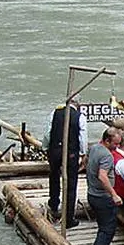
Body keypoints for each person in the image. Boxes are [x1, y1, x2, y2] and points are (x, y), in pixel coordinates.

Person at [84, 127, 124, 245]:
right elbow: (102, 175)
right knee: (107, 230)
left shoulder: (94, 147)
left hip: (92, 193)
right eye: (115, 144)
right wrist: (114, 194)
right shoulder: (107, 155)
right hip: (103, 197)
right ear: (107, 141)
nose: (117, 147)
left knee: (104, 227)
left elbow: (86, 162)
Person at [47, 96, 87, 227]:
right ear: (78, 103)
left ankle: (53, 204)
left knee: (53, 176)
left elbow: (48, 132)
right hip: (71, 153)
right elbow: (82, 137)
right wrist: (83, 153)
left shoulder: (55, 113)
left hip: (55, 150)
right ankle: (69, 217)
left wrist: (45, 147)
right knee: (71, 183)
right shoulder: (80, 117)